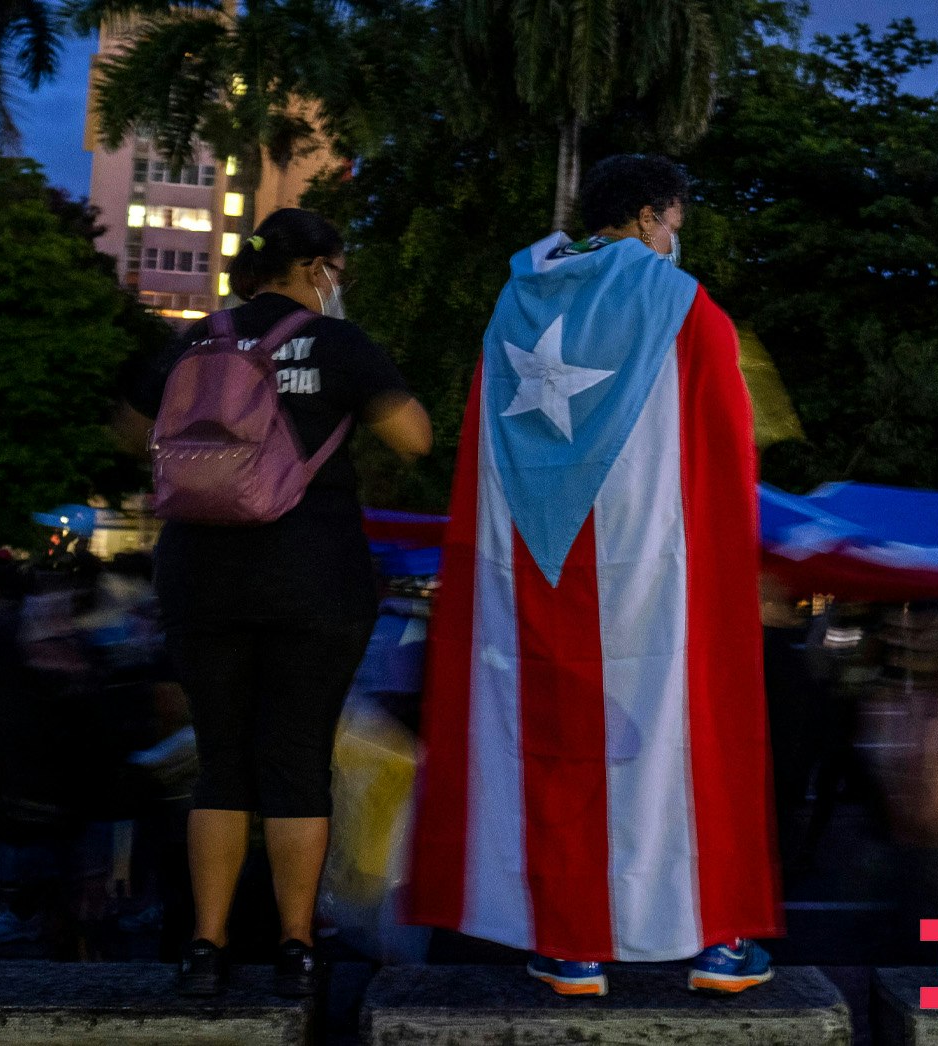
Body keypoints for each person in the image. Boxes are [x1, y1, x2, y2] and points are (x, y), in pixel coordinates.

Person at [406, 155, 782, 997]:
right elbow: (725, 452)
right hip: (652, 572)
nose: (675, 237)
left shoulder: (516, 299)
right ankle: (710, 943)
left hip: (529, 570)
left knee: (550, 744)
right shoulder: (682, 305)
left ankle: (570, 944)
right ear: (649, 216)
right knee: (672, 751)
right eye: (674, 221)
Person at [122, 207, 432, 997]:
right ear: (319, 269)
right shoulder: (340, 343)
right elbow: (414, 438)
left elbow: (130, 428)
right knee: (297, 762)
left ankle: (205, 945)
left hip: (199, 573)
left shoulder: (193, 338)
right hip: (313, 575)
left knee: (222, 761)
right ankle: (297, 945)